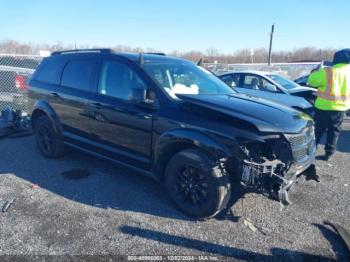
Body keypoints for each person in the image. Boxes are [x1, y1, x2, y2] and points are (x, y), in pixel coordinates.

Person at [308, 48, 350, 161]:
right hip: (341, 109)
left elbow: (311, 81)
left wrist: (314, 72)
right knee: (334, 132)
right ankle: (329, 154)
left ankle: (310, 153)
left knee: (317, 131)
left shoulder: (328, 71)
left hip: (323, 107)